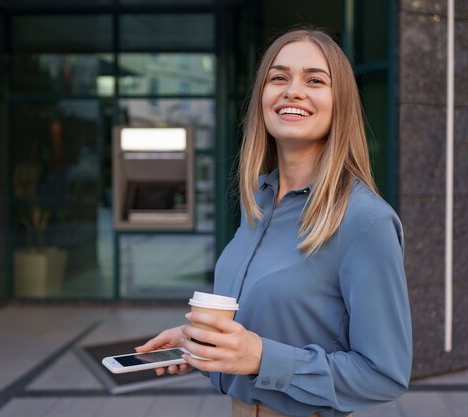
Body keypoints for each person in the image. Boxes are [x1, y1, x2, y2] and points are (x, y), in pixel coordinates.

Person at [136, 28, 412, 417]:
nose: (292, 90)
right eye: (278, 77)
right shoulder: (259, 203)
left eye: (315, 80)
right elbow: (268, 323)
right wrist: (200, 342)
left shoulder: (366, 222)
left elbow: (385, 375)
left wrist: (262, 357)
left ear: (340, 103)